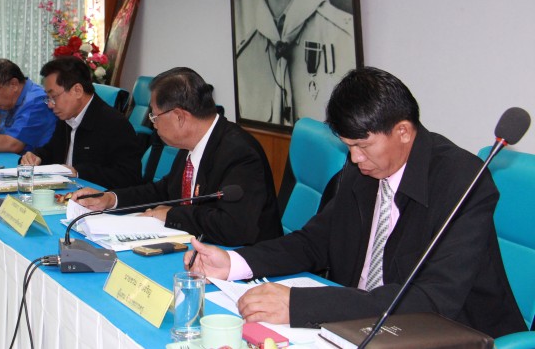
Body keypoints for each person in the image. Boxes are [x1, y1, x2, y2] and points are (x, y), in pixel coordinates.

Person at [185, 67, 525, 338]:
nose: (355, 158)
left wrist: (300, 305)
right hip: (359, 325)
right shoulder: (363, 168)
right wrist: (235, 262)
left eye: (362, 146)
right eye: (348, 146)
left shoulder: (462, 182)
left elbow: (433, 298)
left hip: (449, 334)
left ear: (403, 131)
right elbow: (316, 241)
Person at [74, 67, 282, 246]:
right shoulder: (191, 143)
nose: (153, 125)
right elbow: (165, 191)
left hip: (245, 261)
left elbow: (234, 226)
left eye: (154, 116)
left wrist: (171, 215)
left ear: (180, 117)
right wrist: (111, 199)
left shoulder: (240, 153)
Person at [20, 56, 141, 190]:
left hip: (96, 197)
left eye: (53, 97)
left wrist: (79, 172)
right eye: (48, 98)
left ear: (77, 90)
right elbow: (52, 150)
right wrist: (36, 156)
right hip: (66, 192)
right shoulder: (66, 116)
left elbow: (129, 177)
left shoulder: (115, 124)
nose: (50, 104)